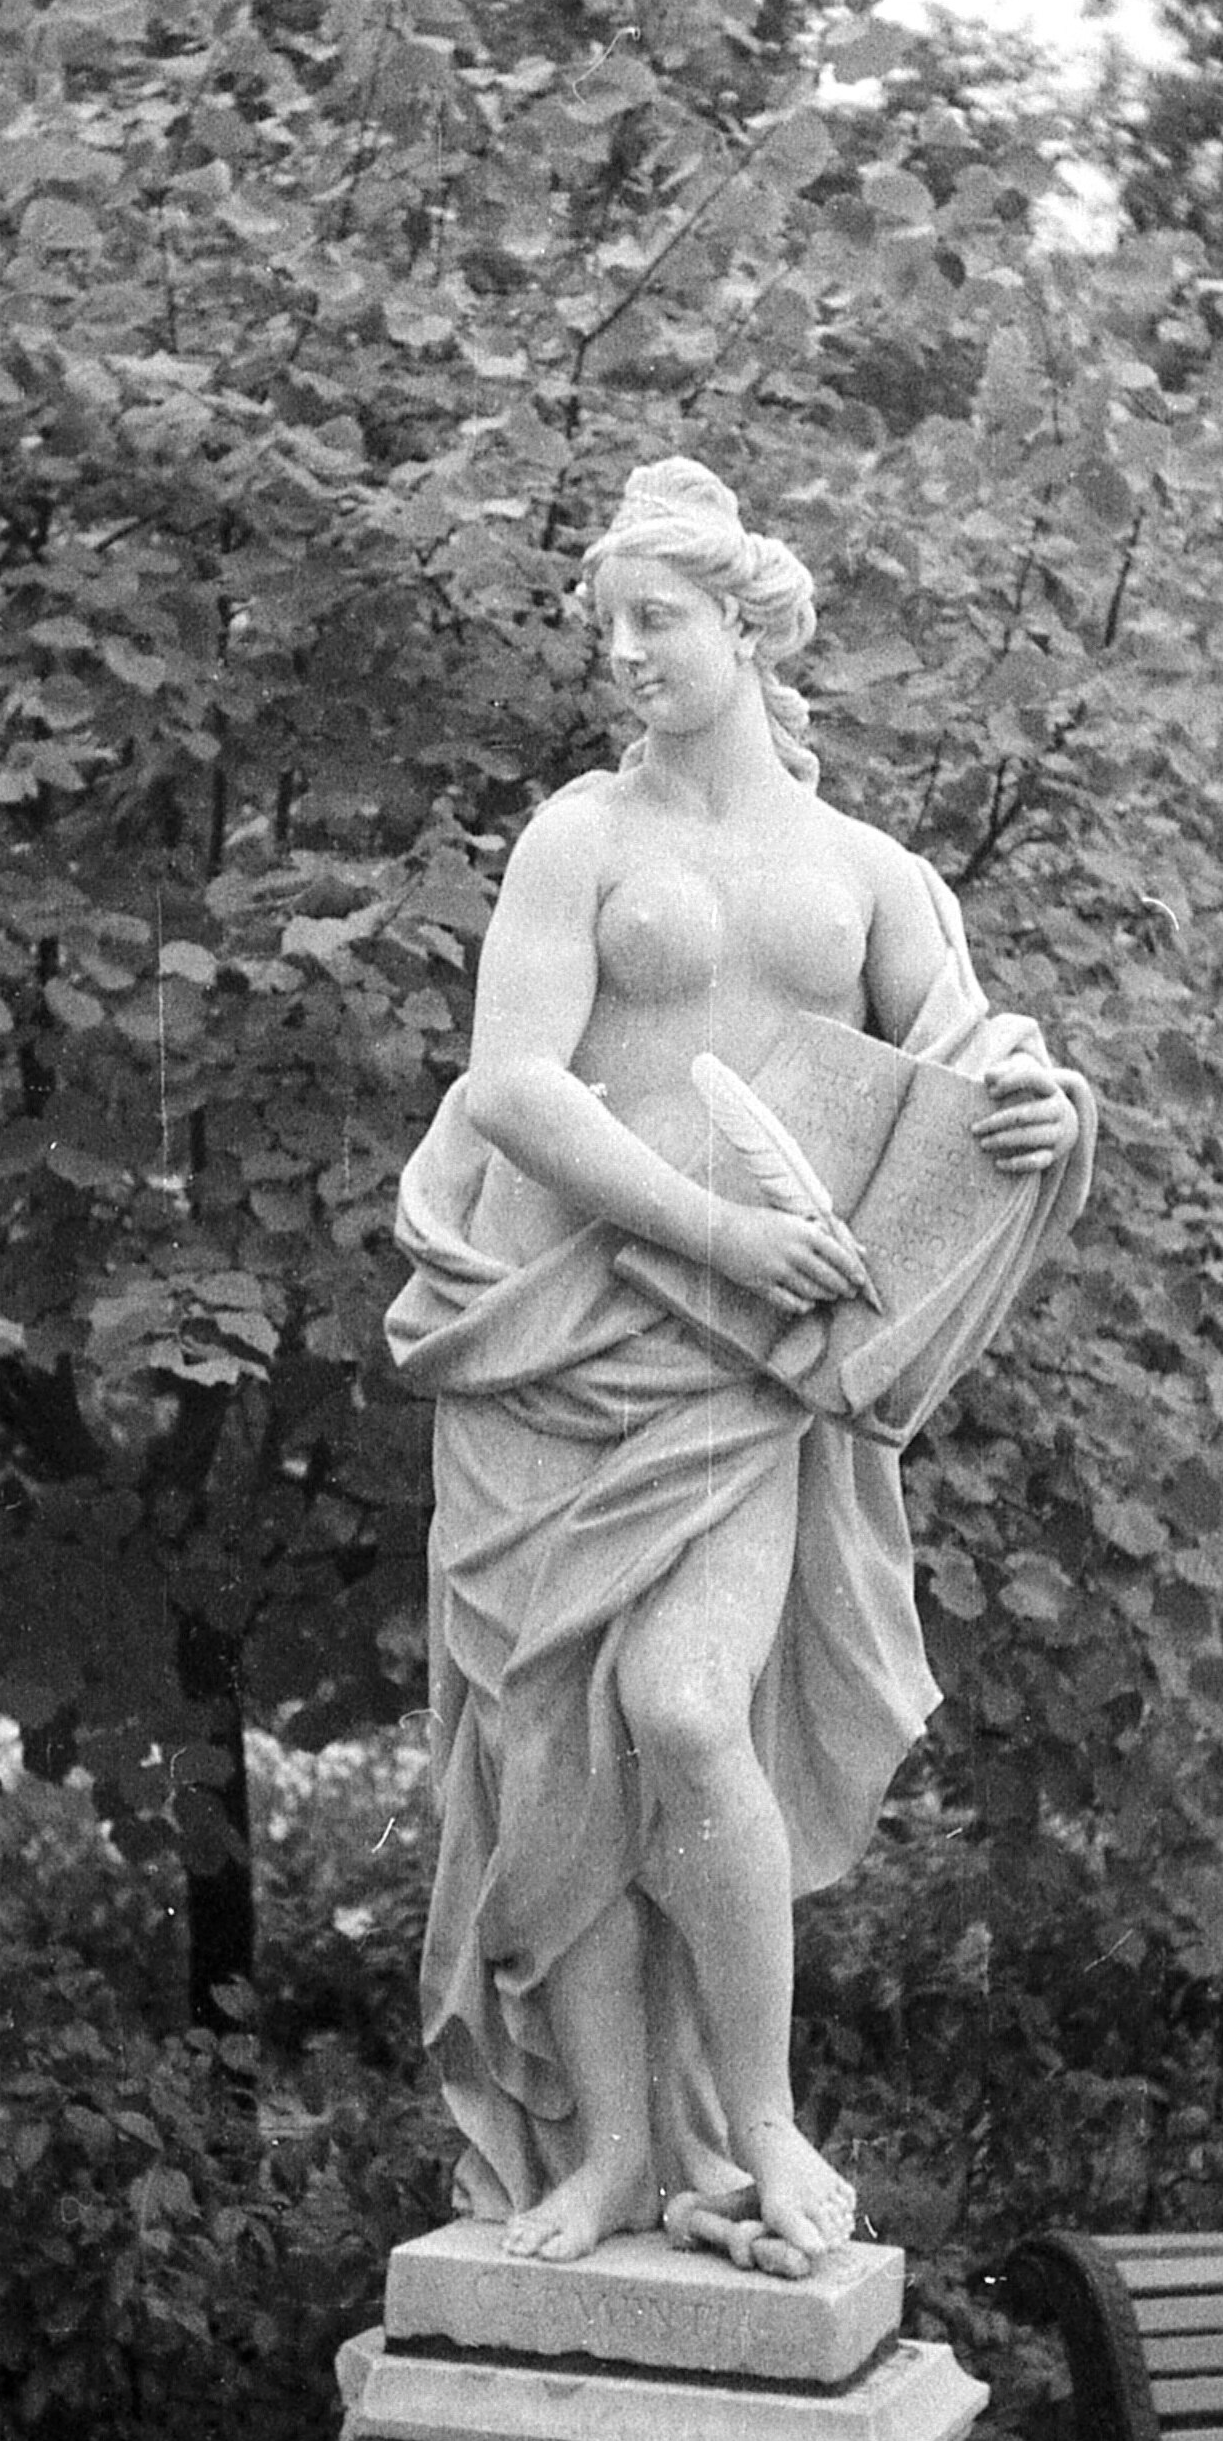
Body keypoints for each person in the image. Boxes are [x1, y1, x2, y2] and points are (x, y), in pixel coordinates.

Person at [385, 459, 1094, 2275]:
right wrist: (718, 1233)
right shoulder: (578, 838)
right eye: (606, 625)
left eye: (660, 619)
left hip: (743, 1375)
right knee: (556, 1752)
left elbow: (968, 1066)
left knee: (688, 1712)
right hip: (556, 1333)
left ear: (749, 629)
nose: (624, 653)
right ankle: (614, 2151)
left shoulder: (868, 871)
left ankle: (759, 2124)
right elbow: (512, 1085)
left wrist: (1039, 1102)